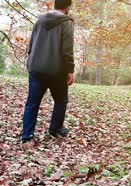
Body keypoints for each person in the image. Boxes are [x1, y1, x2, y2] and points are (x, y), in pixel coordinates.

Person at [21, 0, 75, 143]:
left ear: (55, 4)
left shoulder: (40, 20)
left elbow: (31, 43)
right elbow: (67, 50)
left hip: (36, 68)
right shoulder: (66, 22)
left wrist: (30, 60)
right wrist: (70, 70)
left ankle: (27, 135)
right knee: (61, 100)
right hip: (56, 71)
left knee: (32, 103)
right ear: (68, 6)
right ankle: (55, 129)